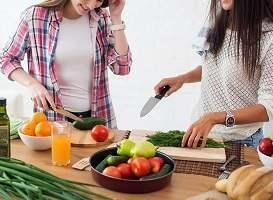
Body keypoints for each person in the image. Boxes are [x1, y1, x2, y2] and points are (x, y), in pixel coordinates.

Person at [154, 0, 273, 148]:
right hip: (202, 135)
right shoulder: (218, 22)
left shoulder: (268, 39)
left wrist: (214, 118)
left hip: (240, 142)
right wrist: (183, 78)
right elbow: (217, 67)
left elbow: (267, 108)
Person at [0, 0, 132, 128]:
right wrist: (32, 85)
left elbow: (122, 67)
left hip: (96, 121)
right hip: (52, 120)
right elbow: (6, 59)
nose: (91, 6)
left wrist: (116, 17)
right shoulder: (36, 17)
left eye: (98, 0)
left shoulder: (101, 17)